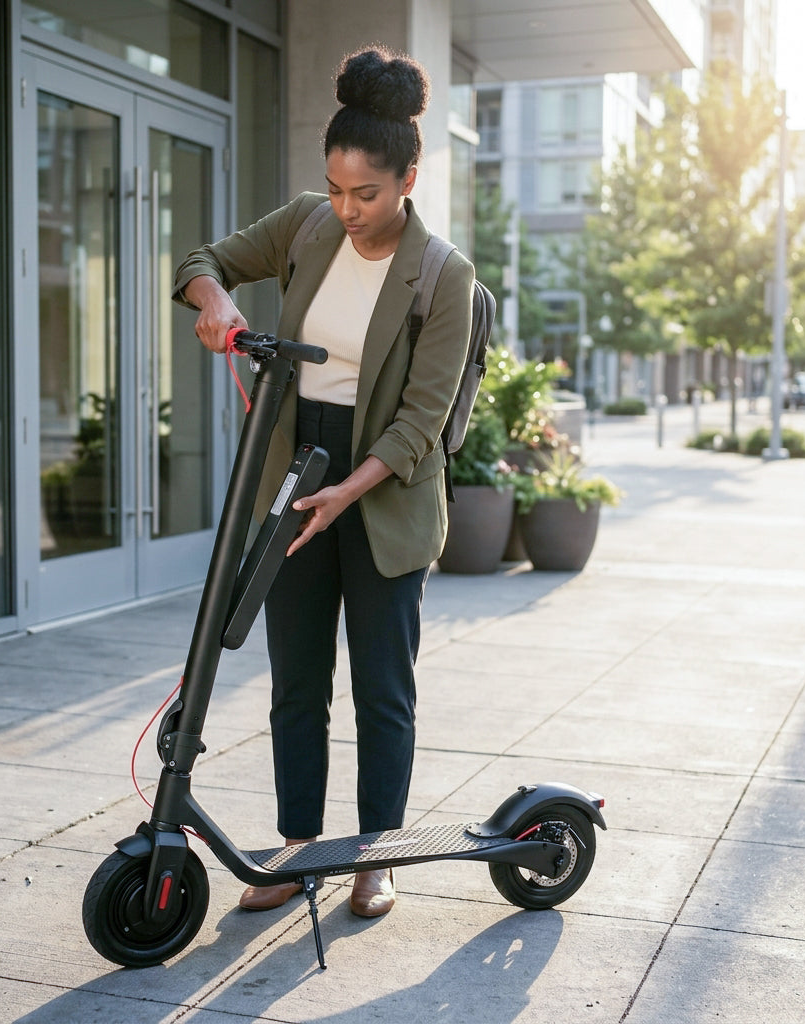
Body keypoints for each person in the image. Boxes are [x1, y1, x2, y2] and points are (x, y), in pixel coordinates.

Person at [172, 46, 474, 918]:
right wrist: (215, 301)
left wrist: (352, 487)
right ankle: (297, 846)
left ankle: (375, 855)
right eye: (337, 189)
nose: (348, 210)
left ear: (408, 178)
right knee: (295, 680)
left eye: (367, 194)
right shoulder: (307, 224)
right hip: (295, 471)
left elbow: (423, 419)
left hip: (386, 485)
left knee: (383, 689)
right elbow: (204, 257)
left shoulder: (444, 276)